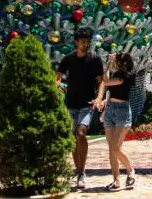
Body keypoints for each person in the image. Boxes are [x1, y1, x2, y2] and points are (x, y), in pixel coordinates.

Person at [57, 31, 104, 190]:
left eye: (88, 41)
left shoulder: (95, 59)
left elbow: (101, 81)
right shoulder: (68, 58)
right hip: (70, 104)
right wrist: (54, 90)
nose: (87, 44)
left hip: (87, 104)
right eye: (83, 41)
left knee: (81, 134)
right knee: (73, 140)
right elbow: (57, 77)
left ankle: (81, 172)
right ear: (76, 42)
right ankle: (78, 171)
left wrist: (99, 98)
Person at [95, 52, 137, 191]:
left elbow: (106, 81)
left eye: (115, 59)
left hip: (122, 111)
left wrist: (107, 66)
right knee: (111, 149)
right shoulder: (116, 73)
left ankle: (130, 170)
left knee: (115, 147)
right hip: (111, 109)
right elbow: (106, 83)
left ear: (121, 62)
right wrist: (109, 65)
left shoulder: (126, 75)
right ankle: (116, 180)